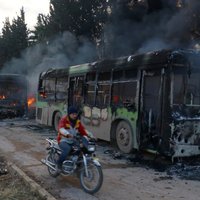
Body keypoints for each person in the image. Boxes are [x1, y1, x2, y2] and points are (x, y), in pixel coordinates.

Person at [56, 106, 89, 171]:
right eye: (73, 114)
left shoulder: (77, 122)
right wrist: (67, 134)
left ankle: (76, 163)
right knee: (67, 149)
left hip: (73, 140)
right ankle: (59, 164)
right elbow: (61, 129)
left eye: (76, 114)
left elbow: (83, 131)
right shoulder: (64, 120)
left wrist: (90, 136)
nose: (75, 115)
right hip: (63, 140)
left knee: (81, 147)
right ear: (69, 114)